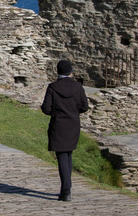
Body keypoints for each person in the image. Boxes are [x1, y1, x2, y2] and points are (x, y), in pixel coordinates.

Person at [40, 60, 88, 202]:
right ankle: (67, 188)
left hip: (59, 124)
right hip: (73, 124)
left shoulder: (53, 87)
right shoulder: (78, 87)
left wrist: (57, 111)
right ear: (70, 72)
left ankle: (66, 190)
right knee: (68, 154)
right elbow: (84, 106)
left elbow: (46, 108)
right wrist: (73, 111)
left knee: (62, 156)